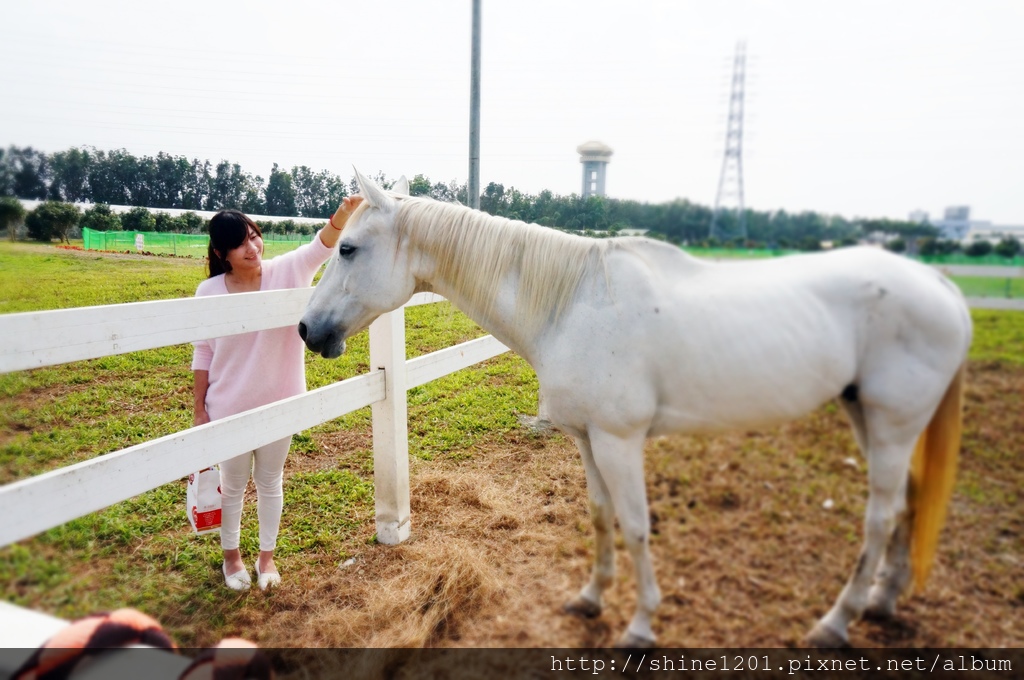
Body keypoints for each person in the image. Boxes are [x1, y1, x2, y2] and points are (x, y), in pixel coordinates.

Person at [192, 196, 363, 591]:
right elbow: (203, 350)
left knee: (271, 481)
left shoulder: (288, 270)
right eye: (240, 243)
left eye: (254, 236)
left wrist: (343, 213)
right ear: (222, 253)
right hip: (228, 406)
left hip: (281, 403)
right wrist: (199, 408)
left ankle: (266, 558)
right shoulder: (209, 291)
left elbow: (321, 245)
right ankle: (231, 557)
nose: (252, 248)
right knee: (232, 485)